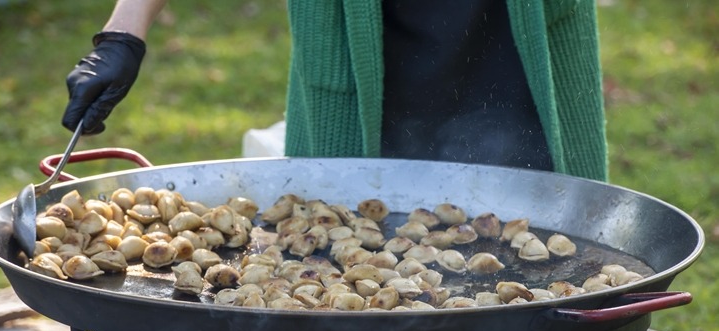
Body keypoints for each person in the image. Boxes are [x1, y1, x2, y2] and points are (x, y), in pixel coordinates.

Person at [62, 0, 608, 182]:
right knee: (346, 257)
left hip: (515, 35)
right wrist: (123, 33)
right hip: (357, 42)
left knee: (536, 262)